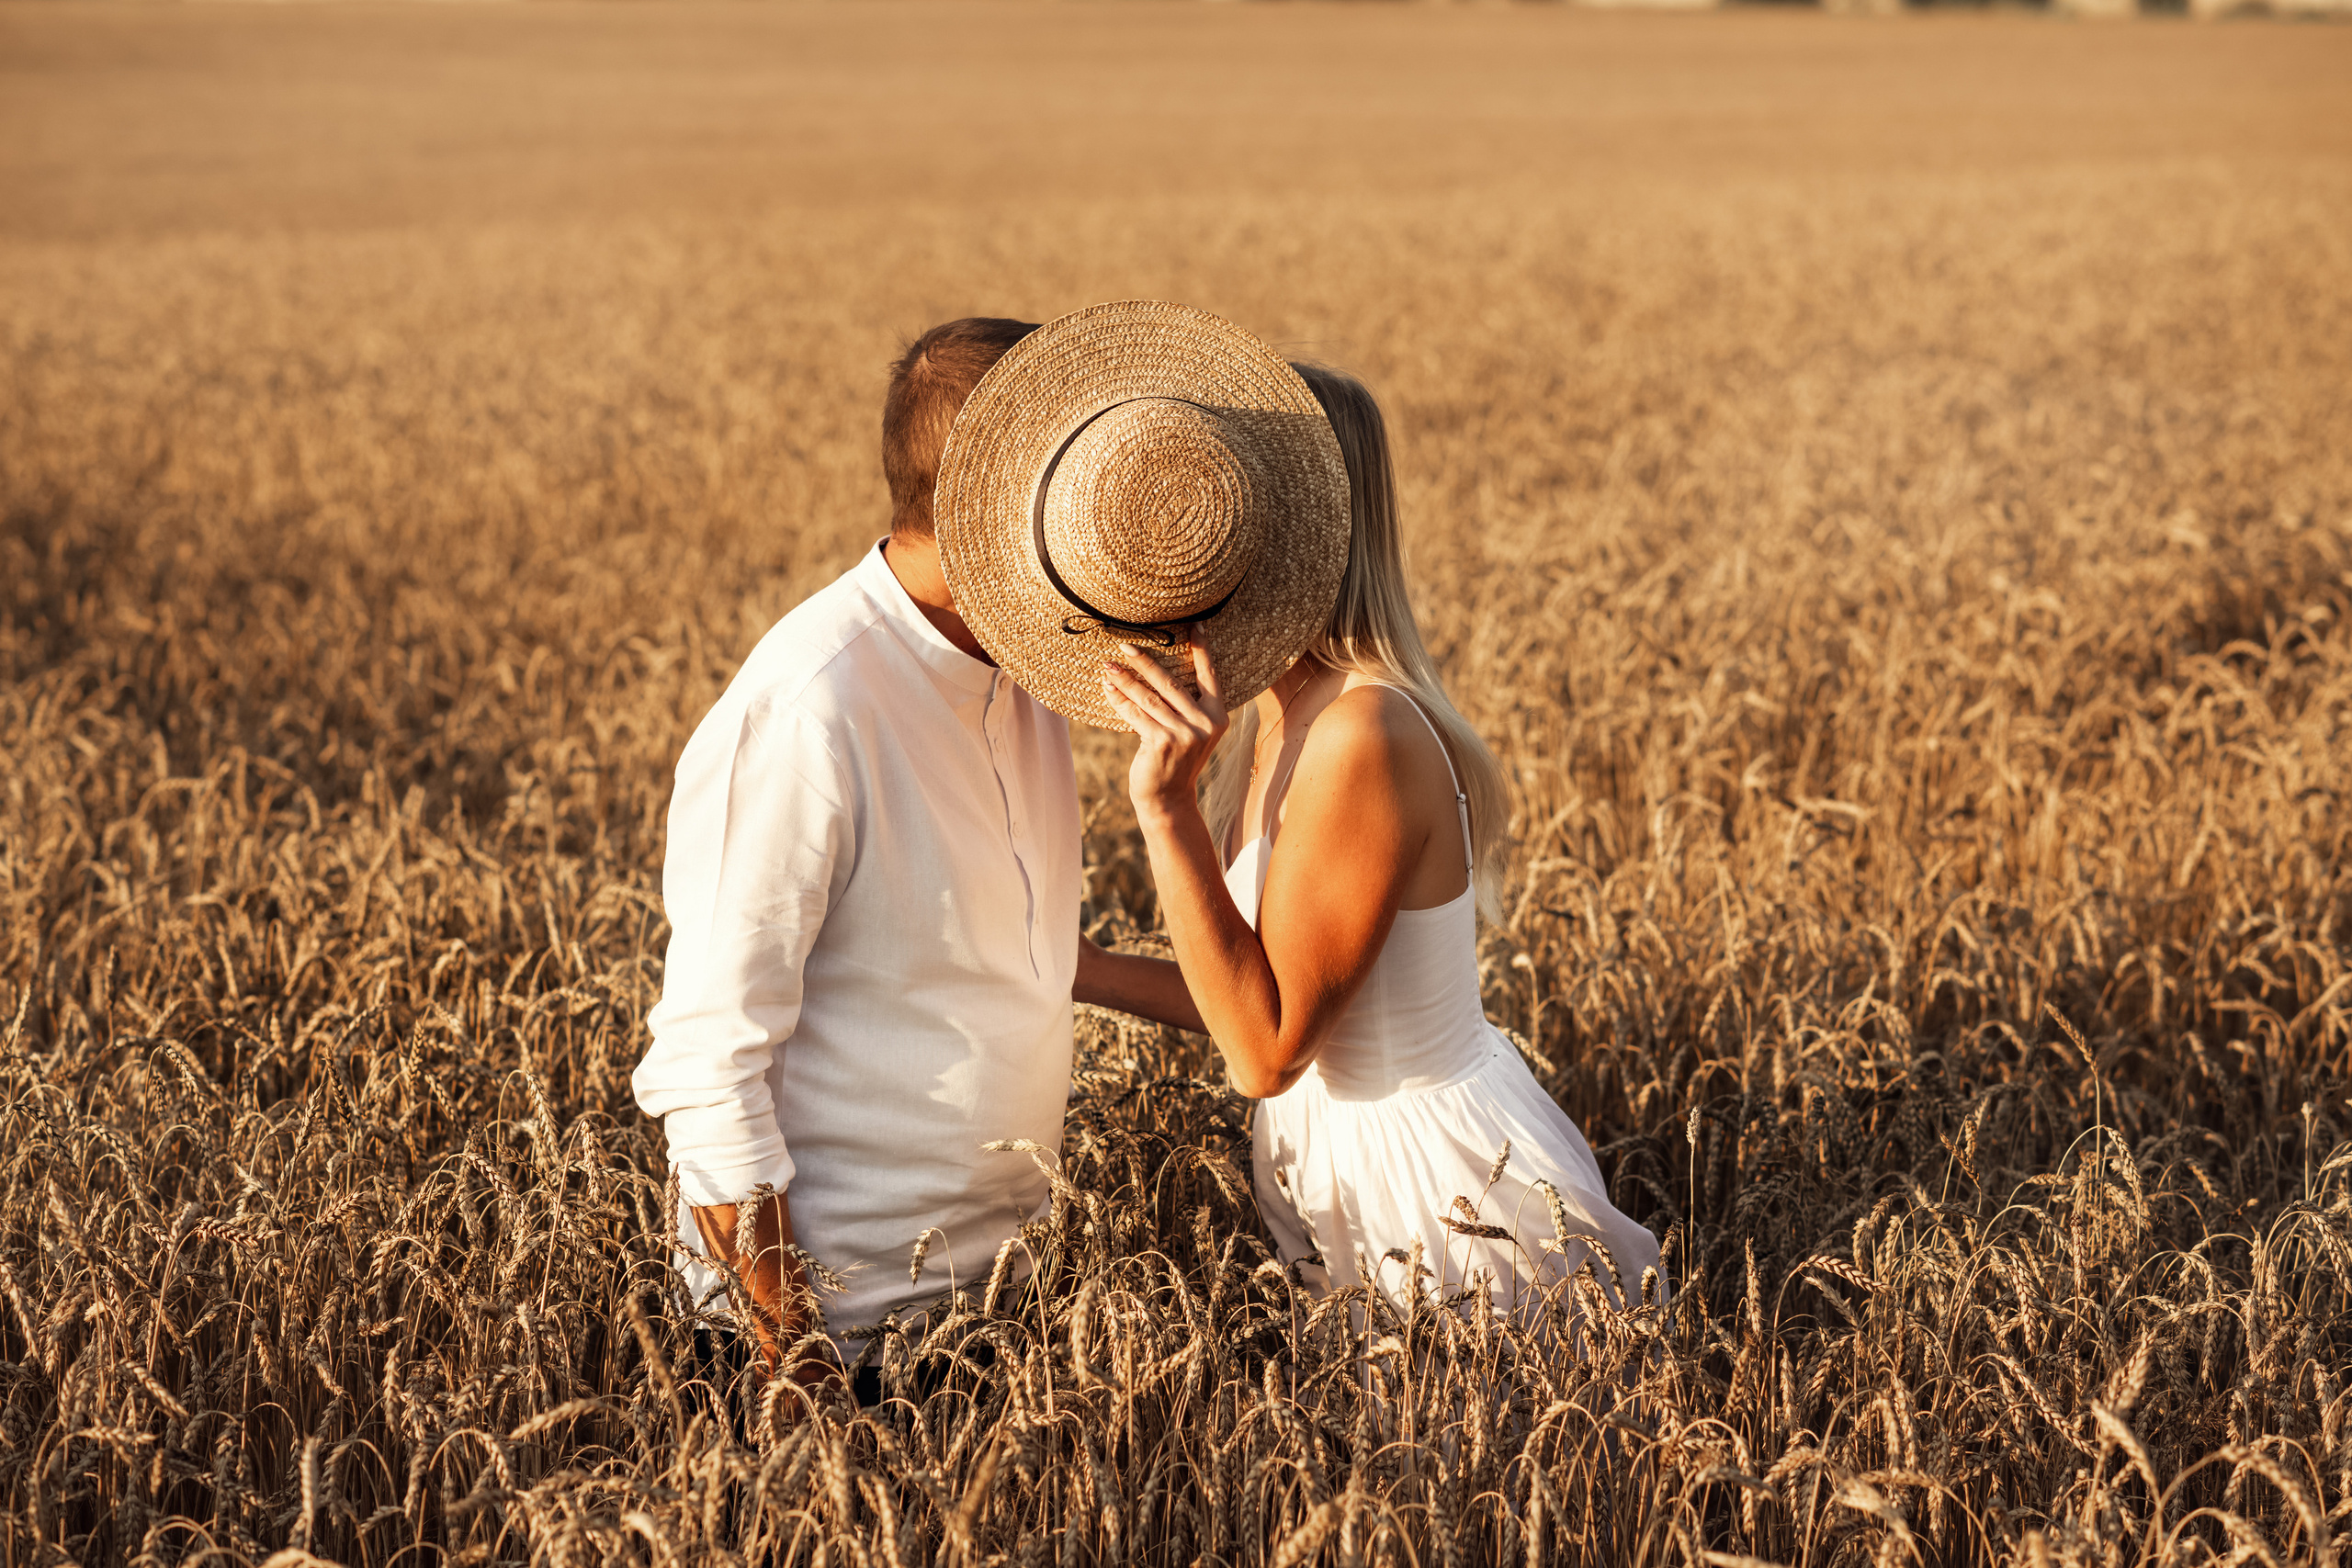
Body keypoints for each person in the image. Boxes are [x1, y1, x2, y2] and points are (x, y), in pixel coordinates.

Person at [630, 315, 1196, 1404]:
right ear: (992, 514)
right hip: (840, 1337)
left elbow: (1018, 948)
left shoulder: (1020, 659)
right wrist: (796, 1379)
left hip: (1005, 1311)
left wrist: (1279, 1014)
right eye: (1071, 507)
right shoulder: (810, 711)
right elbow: (708, 1071)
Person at [1096, 362, 1664, 1316]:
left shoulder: (1362, 732)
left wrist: (1166, 812)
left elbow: (1264, 1052)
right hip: (1344, 1166)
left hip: (1438, 1199)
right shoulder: (1277, 714)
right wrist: (1066, 968)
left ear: (1303, 530)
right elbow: (1260, 986)